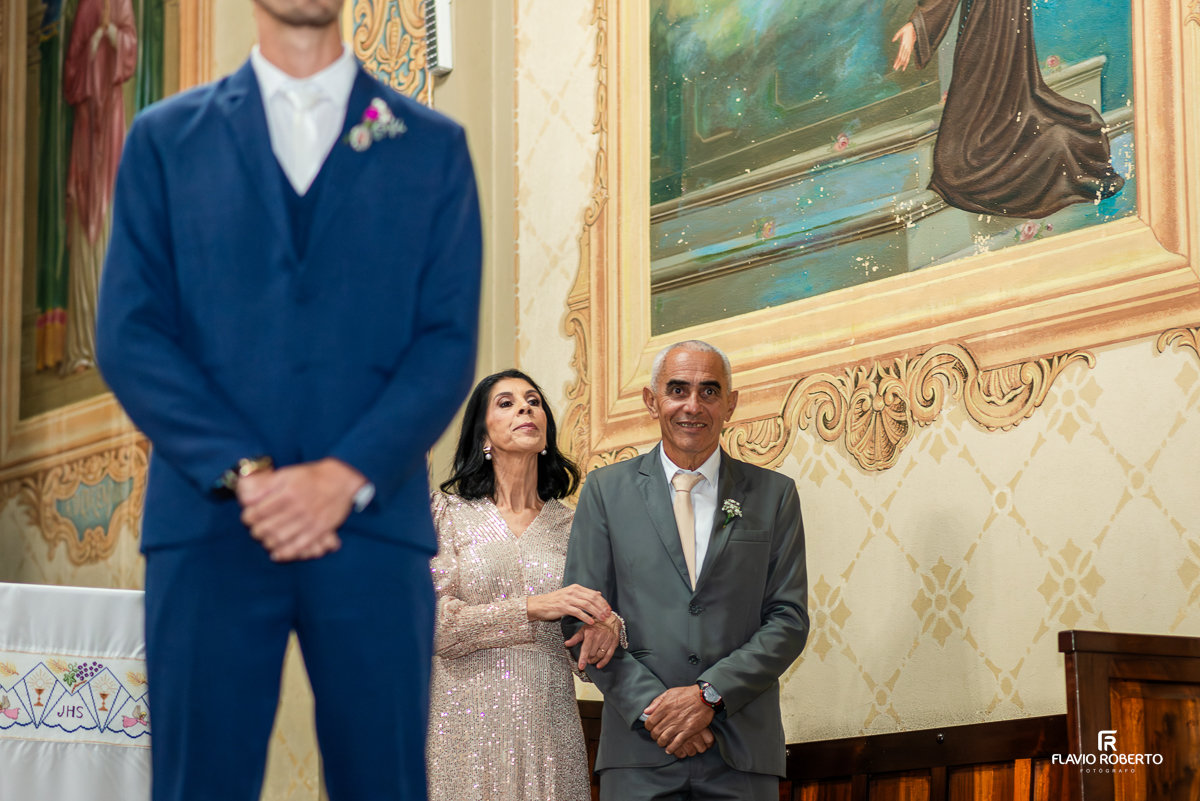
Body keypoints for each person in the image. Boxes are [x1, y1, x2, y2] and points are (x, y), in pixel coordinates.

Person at [93, 0, 483, 794]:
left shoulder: (432, 146)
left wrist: (343, 475)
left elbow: (445, 342)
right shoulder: (165, 141)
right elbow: (131, 335)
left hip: (374, 528)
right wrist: (247, 472)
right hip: (209, 524)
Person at [562, 340, 809, 801]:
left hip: (741, 751)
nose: (692, 406)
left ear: (730, 404)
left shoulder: (774, 495)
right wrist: (657, 711)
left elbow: (788, 620)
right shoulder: (604, 492)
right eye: (677, 390)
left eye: (709, 391)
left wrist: (708, 696)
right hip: (639, 752)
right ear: (651, 400)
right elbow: (581, 619)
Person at [427, 369, 623, 801]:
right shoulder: (447, 514)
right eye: (507, 402)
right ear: (483, 436)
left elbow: (601, 624)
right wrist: (533, 607)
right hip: (461, 732)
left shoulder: (576, 526)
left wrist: (609, 628)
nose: (525, 408)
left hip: (550, 728)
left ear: (547, 432)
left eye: (533, 400)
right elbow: (434, 625)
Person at [891, 0, 1124, 218]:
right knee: (981, 97)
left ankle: (994, 154)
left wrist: (919, 23)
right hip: (988, 20)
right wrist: (919, 23)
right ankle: (987, 154)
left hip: (1008, 18)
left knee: (1010, 98)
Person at [62, 0, 137, 373]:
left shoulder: (120, 4)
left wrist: (111, 35)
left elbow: (130, 48)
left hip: (112, 123)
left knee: (110, 219)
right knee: (85, 226)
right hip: (86, 128)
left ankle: (113, 340)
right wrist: (91, 45)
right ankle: (81, 347)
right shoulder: (86, 7)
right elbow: (71, 74)